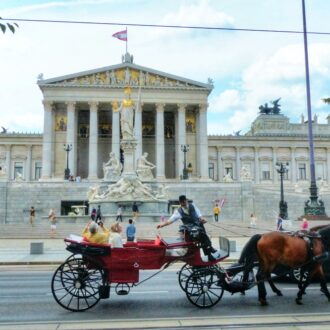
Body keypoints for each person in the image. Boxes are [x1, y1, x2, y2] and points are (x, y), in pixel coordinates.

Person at [156, 195, 221, 262]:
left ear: (186, 200)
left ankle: (210, 254)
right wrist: (162, 225)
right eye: (181, 203)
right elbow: (170, 220)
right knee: (204, 237)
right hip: (191, 230)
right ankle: (210, 249)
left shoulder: (193, 206)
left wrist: (202, 219)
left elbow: (199, 214)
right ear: (180, 202)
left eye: (184, 202)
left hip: (199, 226)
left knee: (204, 239)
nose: (183, 204)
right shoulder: (178, 211)